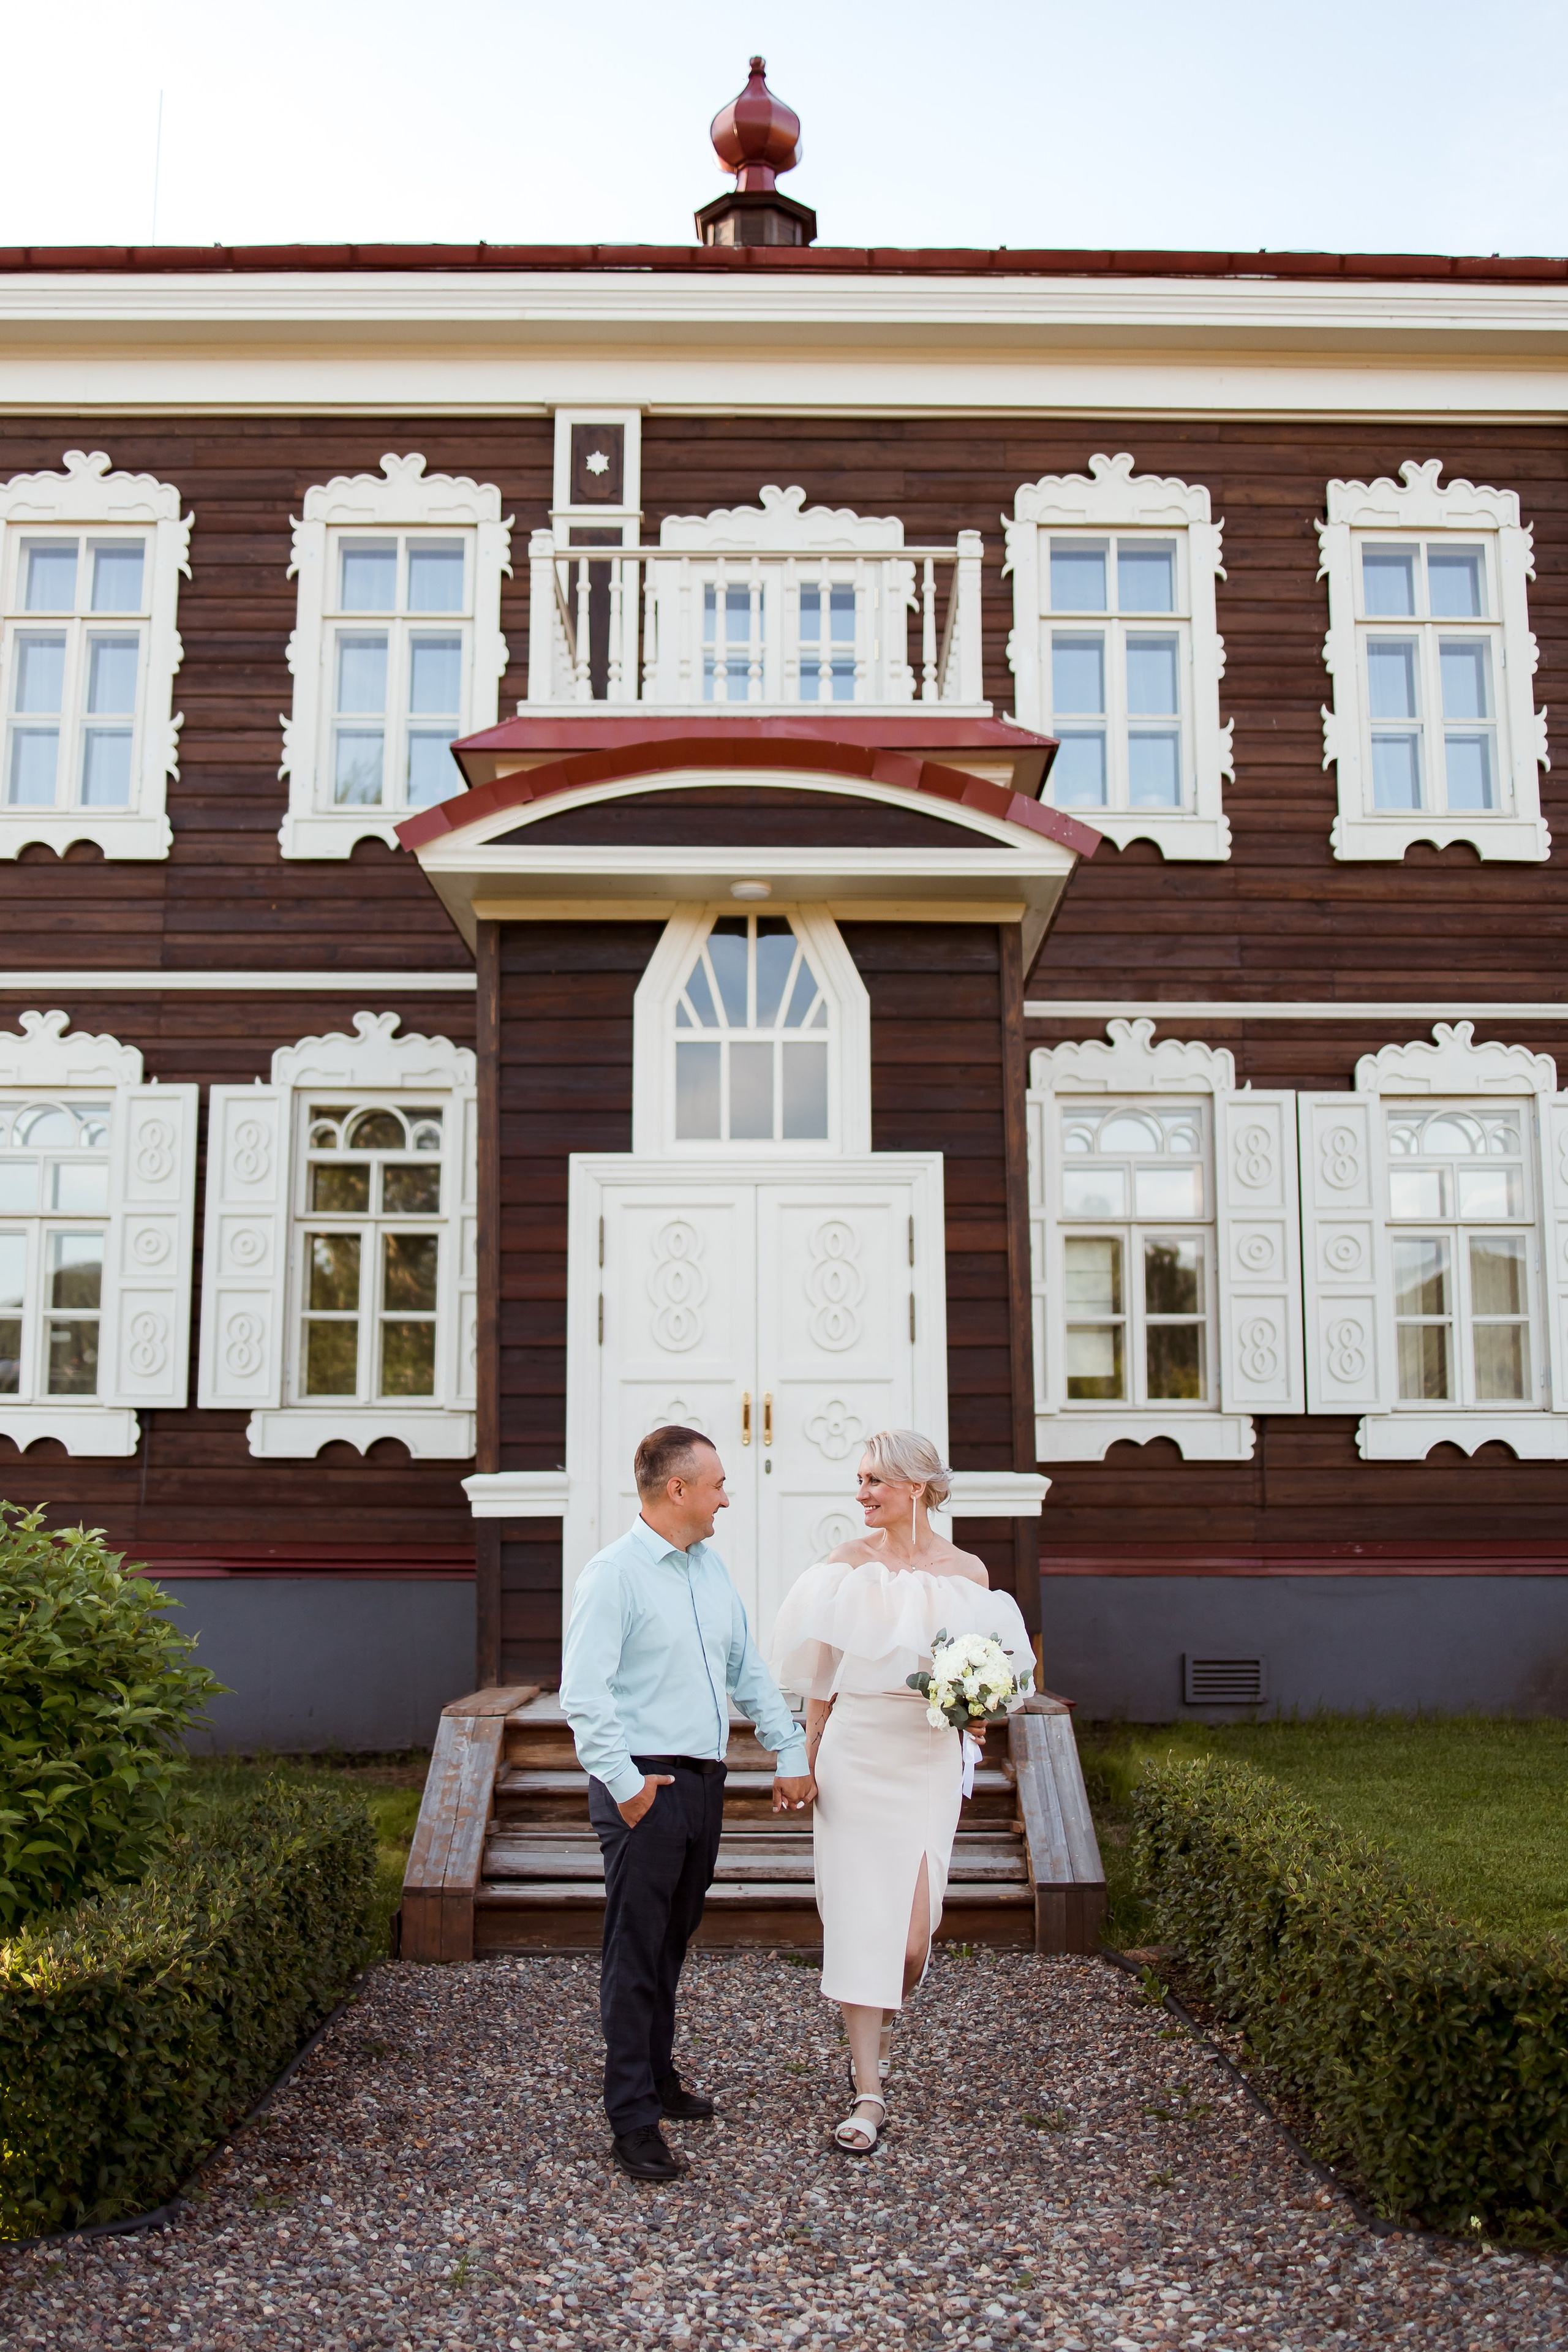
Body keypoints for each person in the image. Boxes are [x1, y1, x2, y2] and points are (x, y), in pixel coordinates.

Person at [560, 1423, 817, 2182]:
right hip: (644, 1786)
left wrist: (789, 1747)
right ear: (678, 1489)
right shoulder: (614, 1575)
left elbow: (746, 1667)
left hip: (704, 1784)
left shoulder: (709, 1570)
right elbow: (584, 1694)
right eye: (717, 1485)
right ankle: (631, 2117)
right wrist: (627, 1784)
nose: (726, 1498)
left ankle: (660, 2079)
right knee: (634, 1951)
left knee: (672, 1942)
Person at [769, 1428, 1035, 2155]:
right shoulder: (843, 1567)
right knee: (861, 1924)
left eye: (873, 1482)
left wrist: (974, 1715)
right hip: (855, 1753)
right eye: (859, 1480)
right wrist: (805, 1758)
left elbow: (986, 1674)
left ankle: (880, 2012)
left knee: (912, 1941)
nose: (860, 1495)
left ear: (914, 1488)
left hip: (924, 1758)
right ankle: (867, 2089)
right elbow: (819, 1680)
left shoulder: (969, 1572)